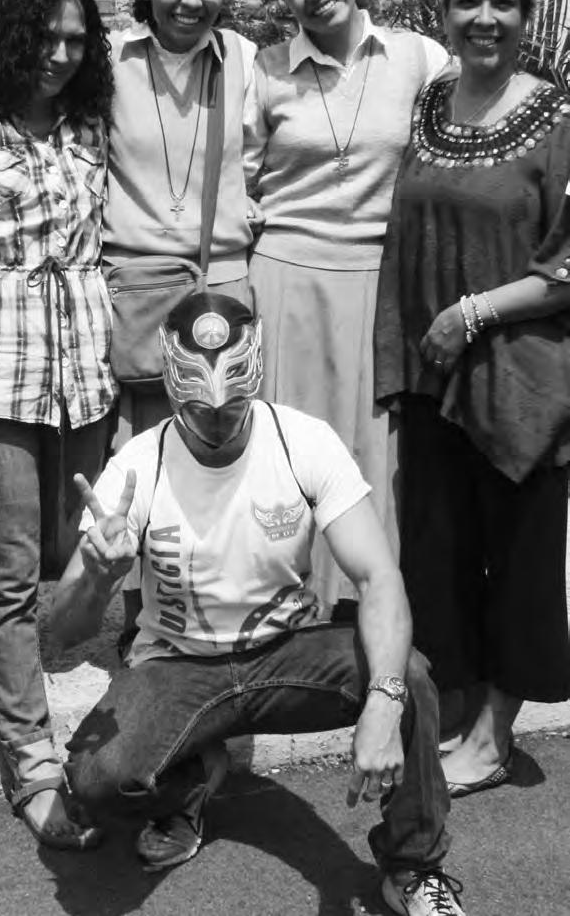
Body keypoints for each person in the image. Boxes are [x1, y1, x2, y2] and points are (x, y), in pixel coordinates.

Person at [53, 292, 468, 916]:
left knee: (407, 676)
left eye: (232, 406)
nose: (218, 422)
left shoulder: (304, 441)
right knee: (94, 777)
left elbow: (379, 578)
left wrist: (383, 702)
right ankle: (191, 786)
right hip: (178, 664)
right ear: (173, 388)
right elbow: (63, 630)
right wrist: (96, 576)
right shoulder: (136, 467)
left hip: (287, 653)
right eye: (201, 409)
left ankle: (413, 867)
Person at [375, 0, 570, 797]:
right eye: (467, 1)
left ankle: (493, 737)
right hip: (433, 375)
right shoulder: (430, 103)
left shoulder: (559, 118)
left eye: (501, 2)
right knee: (441, 551)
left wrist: (473, 313)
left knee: (518, 559)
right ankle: (455, 711)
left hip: (521, 378)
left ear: (525, 15)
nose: (483, 17)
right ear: (443, 11)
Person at [242, 0, 449, 615]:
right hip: (285, 277)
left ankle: (368, 607)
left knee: (371, 453)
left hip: (379, 282)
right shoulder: (265, 70)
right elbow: (239, 180)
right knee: (285, 446)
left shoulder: (418, 57)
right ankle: (285, 604)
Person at [0, 0, 115, 851]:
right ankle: (34, 768)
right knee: (13, 569)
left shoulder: (89, 123)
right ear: (12, 35)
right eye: (45, 36)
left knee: (77, 546)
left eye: (75, 39)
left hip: (84, 362)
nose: (59, 54)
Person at [105, 0, 259, 442]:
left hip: (221, 282)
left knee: (221, 441)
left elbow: (261, 154)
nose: (191, 0)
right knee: (138, 451)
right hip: (135, 291)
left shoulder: (242, 58)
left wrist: (252, 200)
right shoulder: (109, 60)